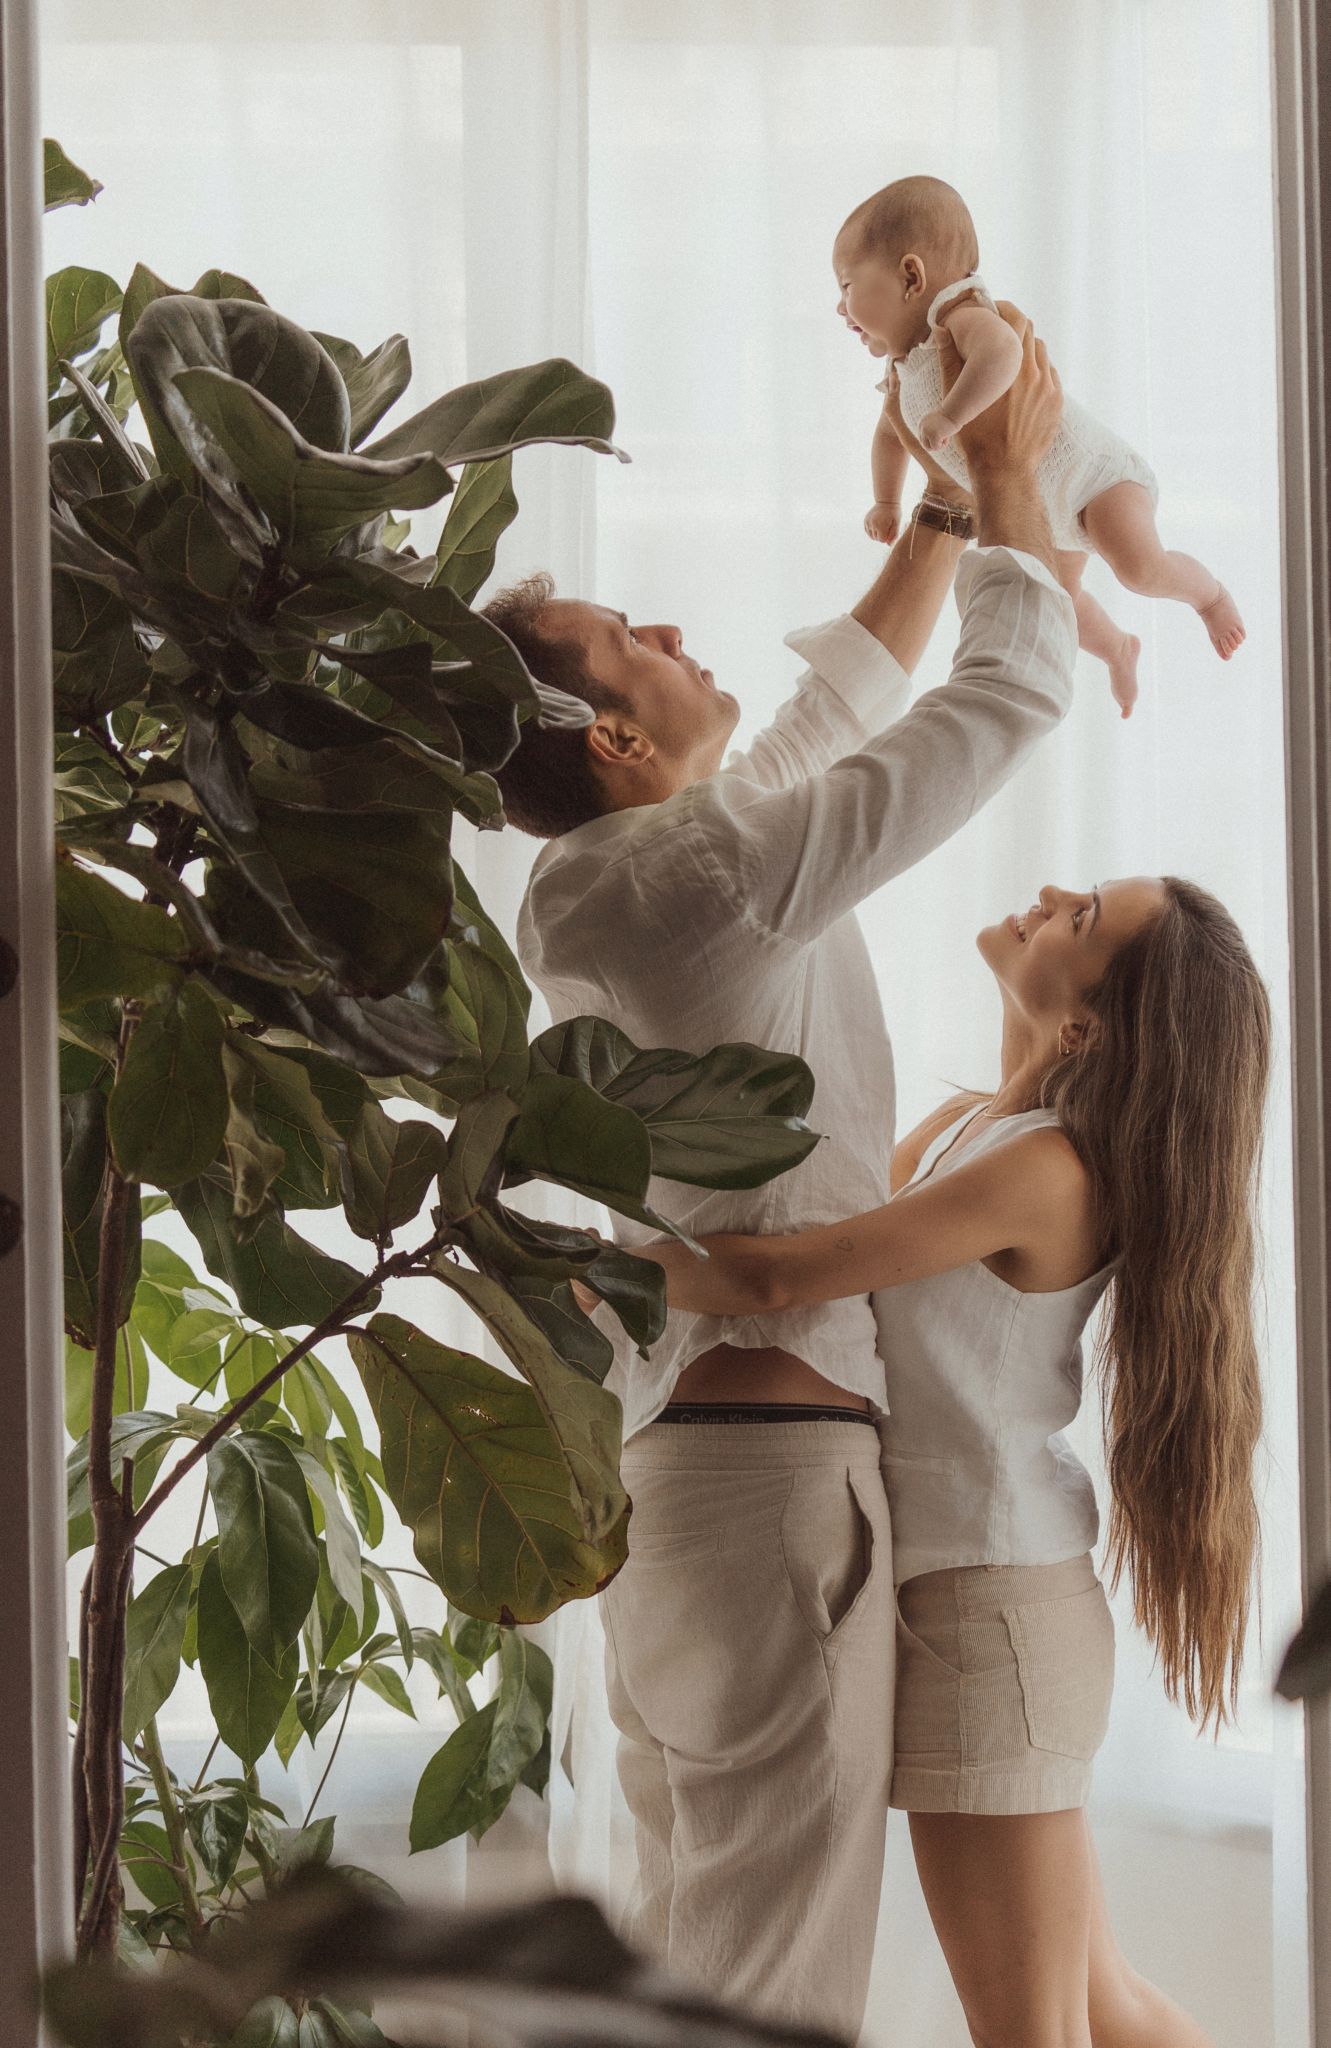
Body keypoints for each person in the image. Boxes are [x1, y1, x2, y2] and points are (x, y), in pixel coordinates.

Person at [483, 317, 1075, 2039]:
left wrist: (950, 514)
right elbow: (1009, 697)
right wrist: (1022, 469)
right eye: (629, 641)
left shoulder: (601, 889)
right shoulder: (704, 872)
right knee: (763, 2002)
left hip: (682, 1494)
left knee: (693, 1972)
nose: (672, 633)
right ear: (609, 739)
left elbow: (818, 725)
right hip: (770, 1493)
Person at [603, 874, 1270, 2048]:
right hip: (984, 1599)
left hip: (988, 1613)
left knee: (1035, 2025)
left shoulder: (1047, 1168)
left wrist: (572, 1268)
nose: (1054, 893)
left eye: (1082, 919)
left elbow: (789, 1273)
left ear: (1090, 1026)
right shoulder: (991, 1127)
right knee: (1096, 2003)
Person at [838, 174, 1245, 717]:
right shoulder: (903, 367)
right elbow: (891, 434)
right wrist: (886, 501)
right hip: (1046, 507)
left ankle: (1211, 597)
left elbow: (1004, 355)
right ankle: (1119, 652)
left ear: (911, 277)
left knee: (1138, 568)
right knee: (1061, 600)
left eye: (846, 287)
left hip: (1096, 478)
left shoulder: (959, 316)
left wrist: (952, 414)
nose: (840, 310)